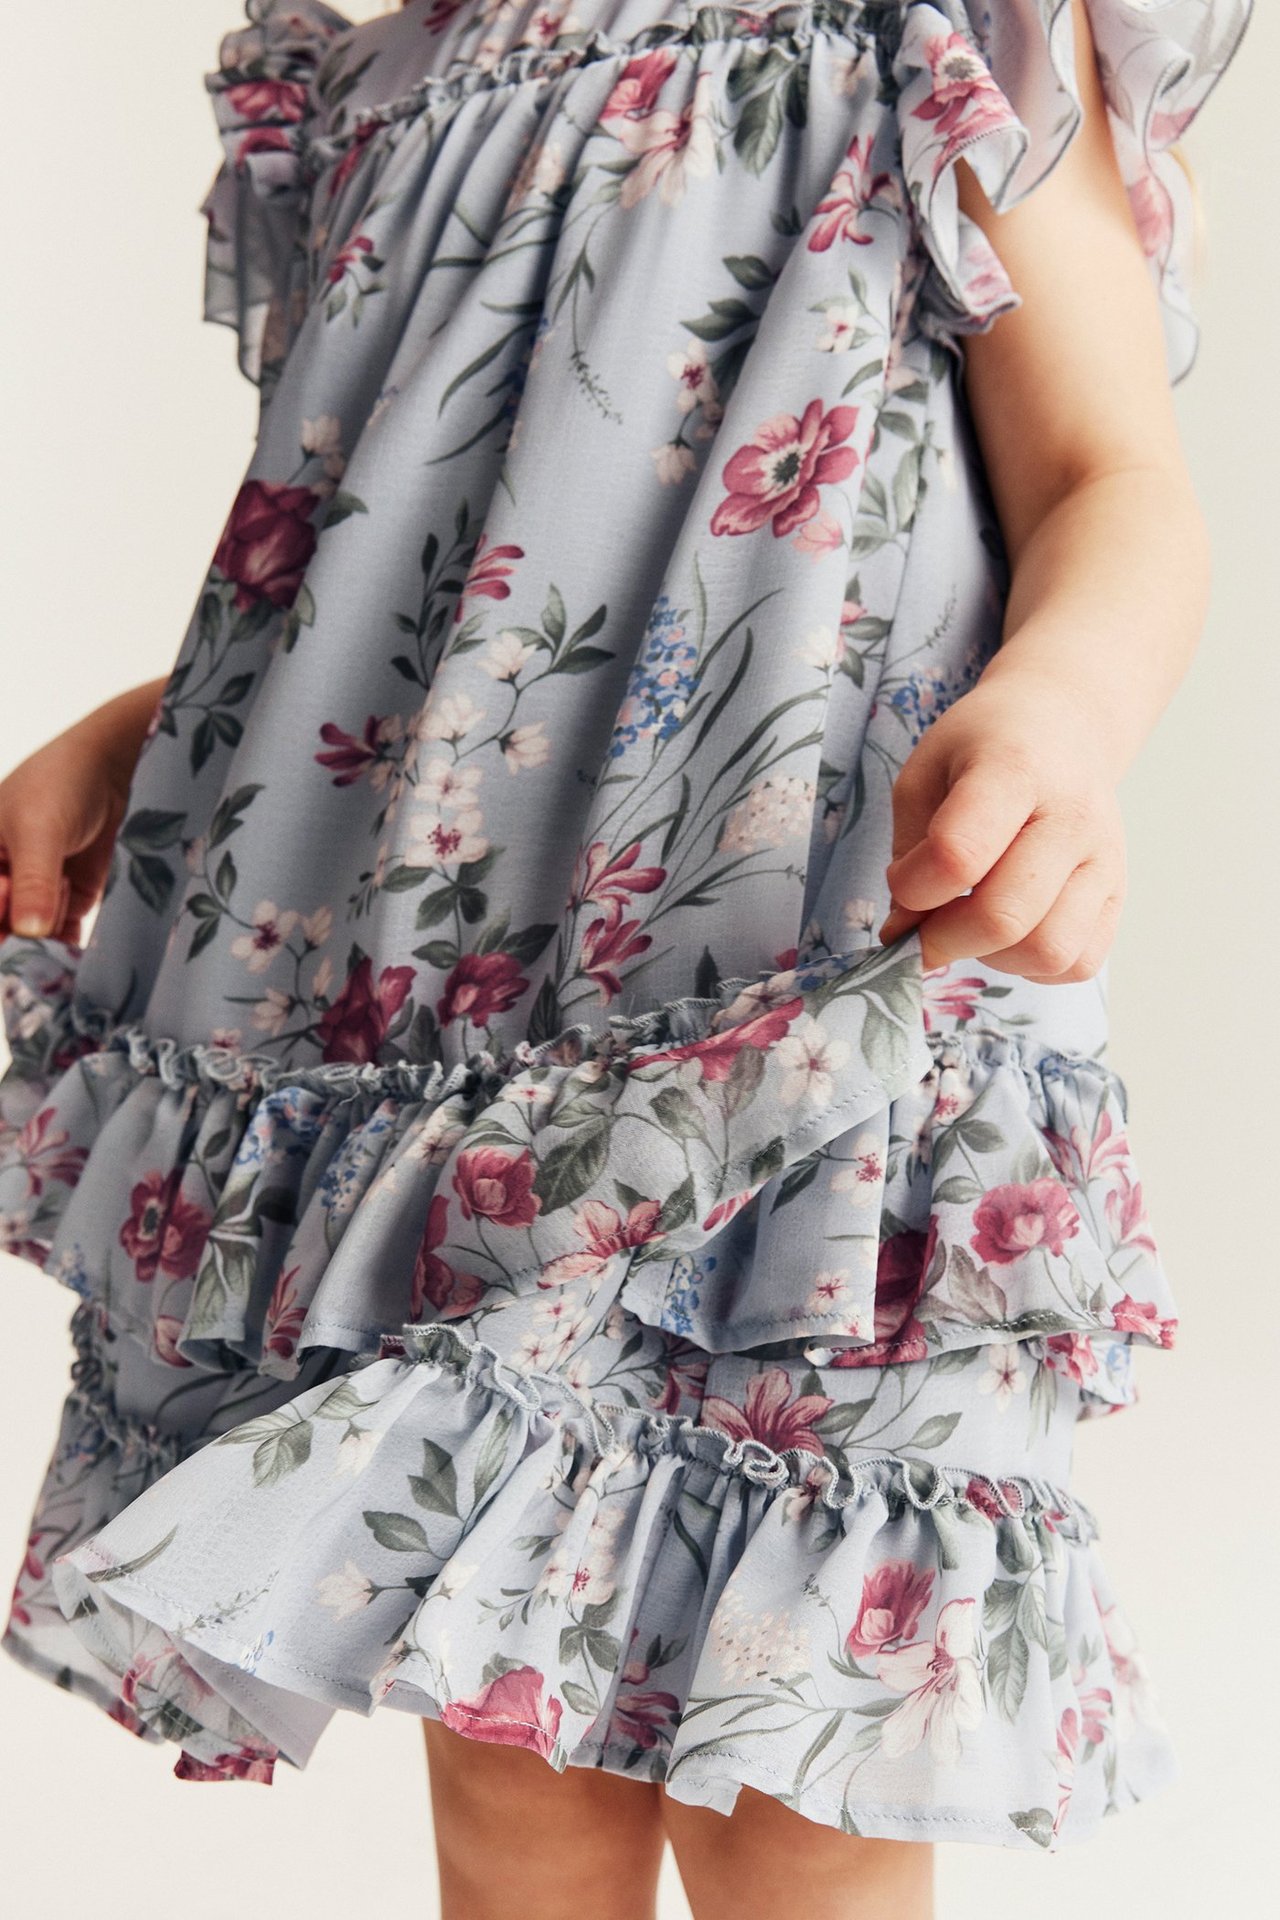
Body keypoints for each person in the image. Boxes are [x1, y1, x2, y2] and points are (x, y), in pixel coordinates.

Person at [0, 3, 1250, 1915]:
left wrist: (1066, 715)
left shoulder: (933, 33)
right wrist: (153, 724)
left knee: (796, 1785)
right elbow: (439, 558)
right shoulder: (410, 81)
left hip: (808, 982)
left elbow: (1108, 471)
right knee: (514, 1791)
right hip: (451, 1031)